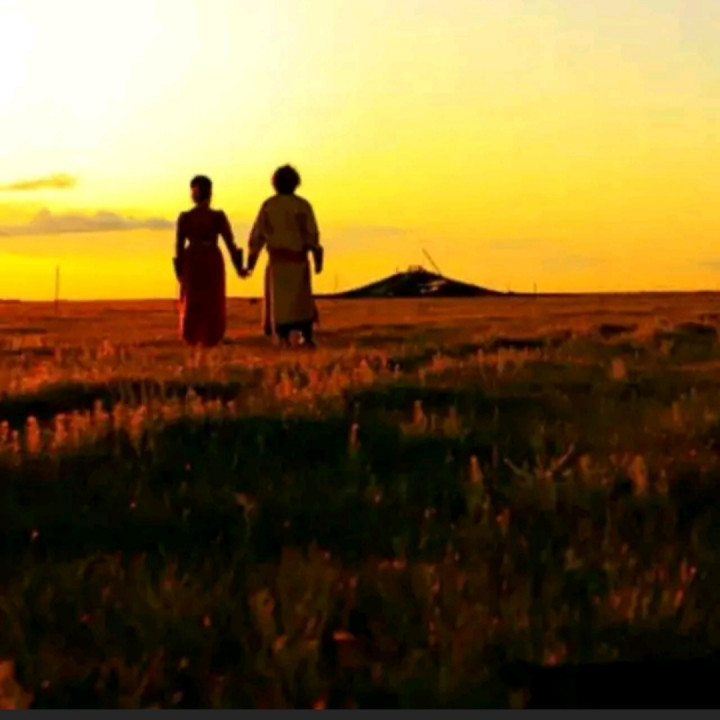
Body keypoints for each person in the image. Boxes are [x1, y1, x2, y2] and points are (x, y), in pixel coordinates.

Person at [245, 165, 323, 348]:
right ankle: (306, 336)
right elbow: (312, 235)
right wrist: (318, 259)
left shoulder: (269, 206)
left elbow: (257, 237)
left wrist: (250, 262)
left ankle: (283, 336)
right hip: (298, 261)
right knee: (301, 301)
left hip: (278, 263)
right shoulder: (302, 205)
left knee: (280, 304)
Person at [174, 175, 243, 347]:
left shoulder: (186, 217)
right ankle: (212, 335)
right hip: (211, 257)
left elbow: (178, 247)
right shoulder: (217, 216)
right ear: (210, 193)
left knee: (193, 298)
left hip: (193, 259)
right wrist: (239, 267)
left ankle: (193, 335)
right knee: (213, 299)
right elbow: (230, 243)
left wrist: (179, 270)